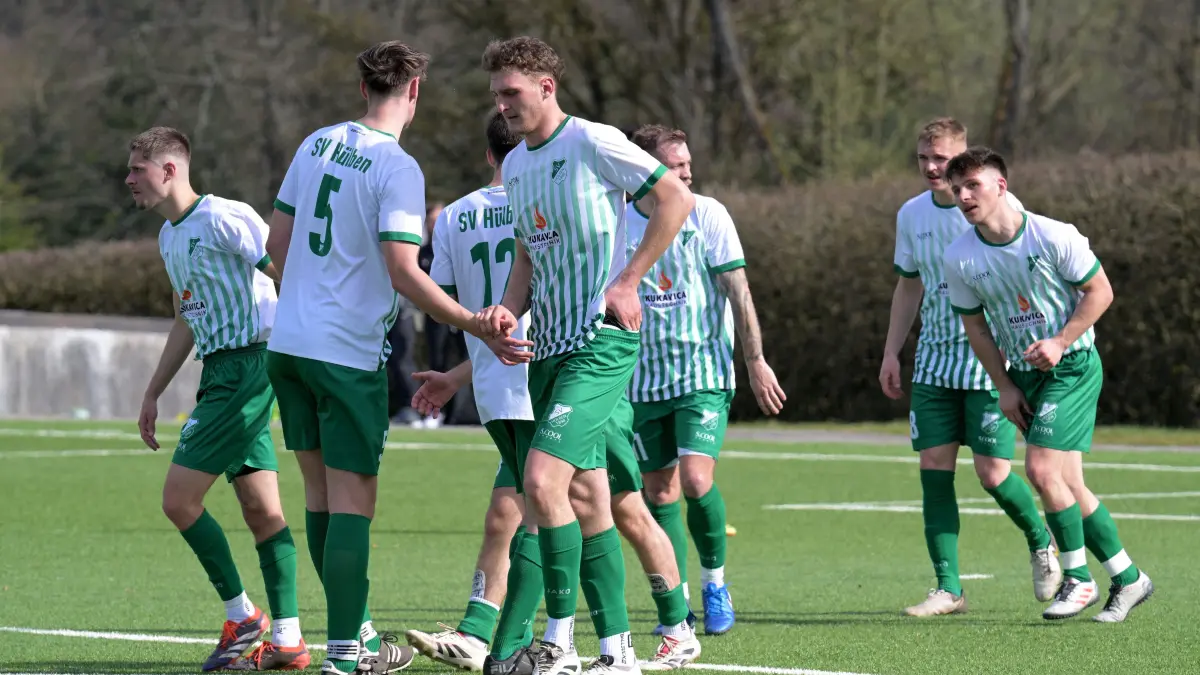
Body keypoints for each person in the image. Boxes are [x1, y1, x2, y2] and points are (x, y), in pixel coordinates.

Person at [263, 41, 530, 675]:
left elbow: (278, 242)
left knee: (320, 497)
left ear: (364, 89)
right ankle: (348, 655)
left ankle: (355, 637)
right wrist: (470, 321)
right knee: (354, 502)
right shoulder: (398, 167)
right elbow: (405, 271)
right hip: (345, 353)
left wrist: (304, 293)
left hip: (288, 346)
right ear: (414, 92)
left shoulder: (316, 142)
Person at [475, 36, 696, 675]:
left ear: (546, 87)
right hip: (548, 347)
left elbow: (673, 200)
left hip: (599, 342)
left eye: (511, 92)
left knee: (540, 481)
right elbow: (526, 254)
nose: (503, 104)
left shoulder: (594, 141)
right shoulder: (515, 165)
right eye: (496, 95)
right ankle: (617, 651)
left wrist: (627, 281)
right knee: (588, 499)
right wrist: (507, 312)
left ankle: (560, 643)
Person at [942, 146, 1154, 622]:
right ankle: (1128, 577)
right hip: (1023, 378)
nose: (964, 196)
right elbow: (975, 327)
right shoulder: (959, 256)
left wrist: (1060, 340)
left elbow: (1101, 292)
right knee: (1069, 485)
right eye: (957, 190)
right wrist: (1004, 385)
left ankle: (1078, 579)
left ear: (1001, 185)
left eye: (973, 185)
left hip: (1072, 367)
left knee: (1040, 471)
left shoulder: (1052, 235)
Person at [129, 126, 310, 671]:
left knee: (178, 501)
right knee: (262, 510)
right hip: (221, 371)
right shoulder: (169, 236)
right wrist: (153, 391)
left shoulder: (225, 217)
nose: (129, 178)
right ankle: (289, 640)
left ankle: (243, 617)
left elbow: (288, 274)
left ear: (170, 170)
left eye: (138, 168)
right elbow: (187, 316)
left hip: (250, 368)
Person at [880, 118, 1060, 617]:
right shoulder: (911, 215)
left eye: (942, 159)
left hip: (989, 362)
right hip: (934, 365)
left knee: (993, 474)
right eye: (924, 159)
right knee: (933, 472)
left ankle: (1040, 539)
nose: (933, 168)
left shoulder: (995, 207)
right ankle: (948, 588)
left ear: (965, 160)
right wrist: (892, 350)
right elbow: (909, 285)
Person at [626, 124, 786, 637]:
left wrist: (755, 361)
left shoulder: (709, 213)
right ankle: (678, 603)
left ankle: (716, 583)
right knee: (659, 491)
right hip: (641, 380)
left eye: (688, 164)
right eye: (676, 167)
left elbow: (738, 291)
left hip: (702, 374)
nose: (688, 173)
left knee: (696, 480)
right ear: (643, 170)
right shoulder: (615, 220)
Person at [402, 111, 534, 672]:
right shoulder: (546, 203)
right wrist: (459, 376)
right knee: (522, 509)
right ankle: (491, 636)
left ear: (487, 156)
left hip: (514, 384)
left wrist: (459, 371)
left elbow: (454, 307)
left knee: (567, 507)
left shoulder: (453, 216)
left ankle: (538, 638)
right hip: (544, 373)